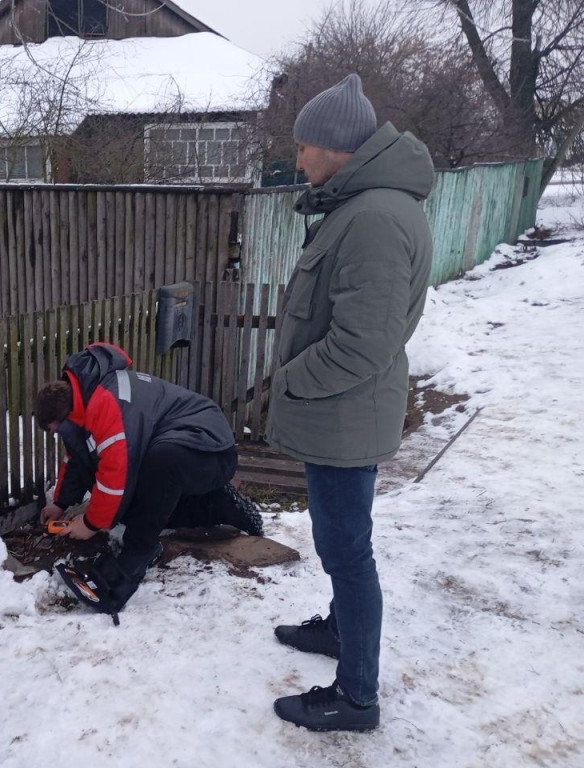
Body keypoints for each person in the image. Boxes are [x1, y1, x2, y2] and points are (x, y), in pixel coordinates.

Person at [265, 74, 434, 731]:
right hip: (340, 415)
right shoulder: (364, 207)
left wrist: (289, 381)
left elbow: (360, 345)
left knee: (347, 554)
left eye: (305, 146)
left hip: (345, 413)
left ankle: (356, 697)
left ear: (338, 148)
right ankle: (340, 631)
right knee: (342, 543)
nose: (298, 157)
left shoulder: (375, 219)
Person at [35, 342, 264, 622]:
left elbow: (116, 475)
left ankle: (137, 555)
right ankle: (215, 505)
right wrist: (60, 503)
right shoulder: (84, 398)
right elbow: (79, 458)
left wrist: (91, 524)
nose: (59, 436)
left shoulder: (104, 403)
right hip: (188, 452)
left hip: (210, 450)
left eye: (56, 430)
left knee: (158, 465)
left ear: (66, 416)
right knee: (134, 509)